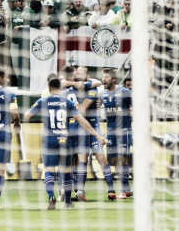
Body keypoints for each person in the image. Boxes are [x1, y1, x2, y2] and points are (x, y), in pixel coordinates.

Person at [24, 77, 107, 210]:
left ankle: (51, 196)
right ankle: (67, 202)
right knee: (67, 171)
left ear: (49, 88)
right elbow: (82, 121)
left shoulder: (43, 101)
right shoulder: (67, 102)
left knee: (49, 171)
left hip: (49, 141)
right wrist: (97, 135)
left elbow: (27, 116)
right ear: (61, 88)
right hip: (64, 141)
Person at [66, 66, 116, 201]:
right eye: (77, 73)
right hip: (79, 129)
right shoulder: (73, 88)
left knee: (100, 157)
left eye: (82, 73)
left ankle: (111, 189)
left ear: (88, 76)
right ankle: (79, 192)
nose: (78, 75)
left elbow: (83, 109)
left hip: (93, 127)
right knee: (79, 159)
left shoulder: (92, 89)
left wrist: (70, 108)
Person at [0, 67, 21, 210]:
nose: (7, 80)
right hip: (3, 135)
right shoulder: (10, 94)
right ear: (0, 79)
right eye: (6, 77)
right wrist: (17, 124)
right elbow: (15, 114)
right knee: (0, 170)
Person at [98, 68, 133, 199]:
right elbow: (95, 107)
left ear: (113, 79)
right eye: (103, 77)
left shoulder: (125, 92)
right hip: (110, 131)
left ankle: (122, 190)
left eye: (106, 77)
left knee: (123, 158)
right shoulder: (102, 94)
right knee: (114, 160)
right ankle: (127, 187)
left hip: (124, 130)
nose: (103, 79)